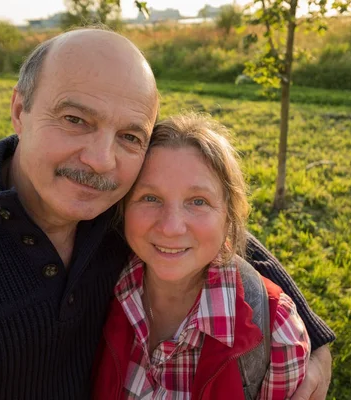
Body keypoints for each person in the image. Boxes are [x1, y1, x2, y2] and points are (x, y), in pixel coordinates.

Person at [0, 28, 333, 399]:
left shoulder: (115, 210)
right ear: (19, 109)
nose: (101, 160)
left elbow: (210, 230)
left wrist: (311, 333)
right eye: (75, 120)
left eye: (130, 136)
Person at [93, 114, 310, 399]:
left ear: (229, 216)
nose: (171, 228)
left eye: (198, 202)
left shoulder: (278, 333)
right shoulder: (95, 285)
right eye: (150, 198)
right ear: (123, 209)